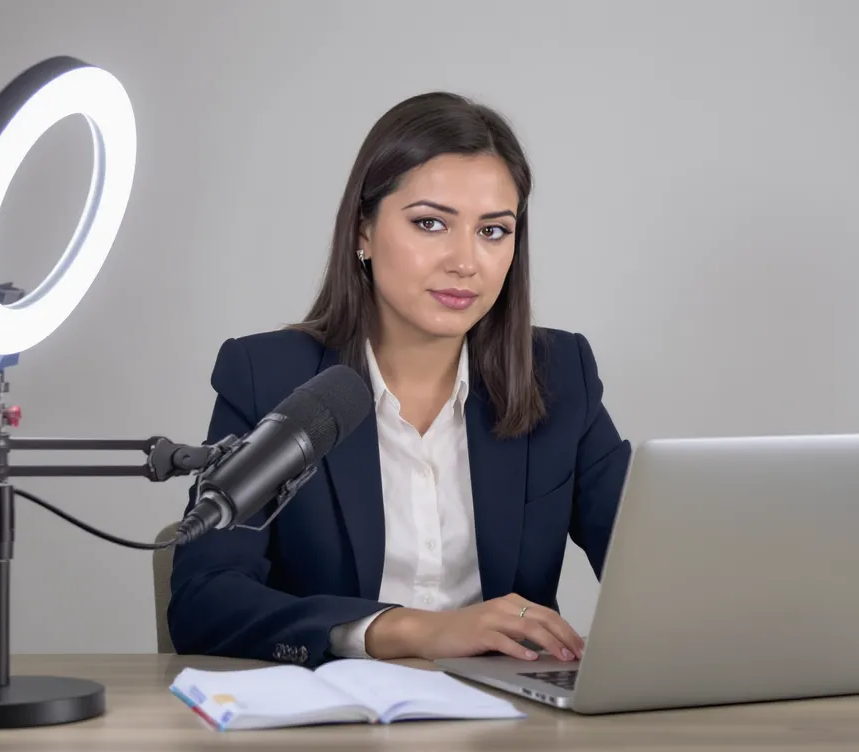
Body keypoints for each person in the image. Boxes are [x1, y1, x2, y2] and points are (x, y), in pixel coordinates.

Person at [167, 91, 631, 668]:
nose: (465, 261)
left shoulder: (561, 374)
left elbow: (655, 576)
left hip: (510, 720)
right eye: (430, 223)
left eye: (493, 231)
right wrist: (410, 631)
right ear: (363, 231)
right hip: (333, 719)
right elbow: (204, 599)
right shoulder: (267, 376)